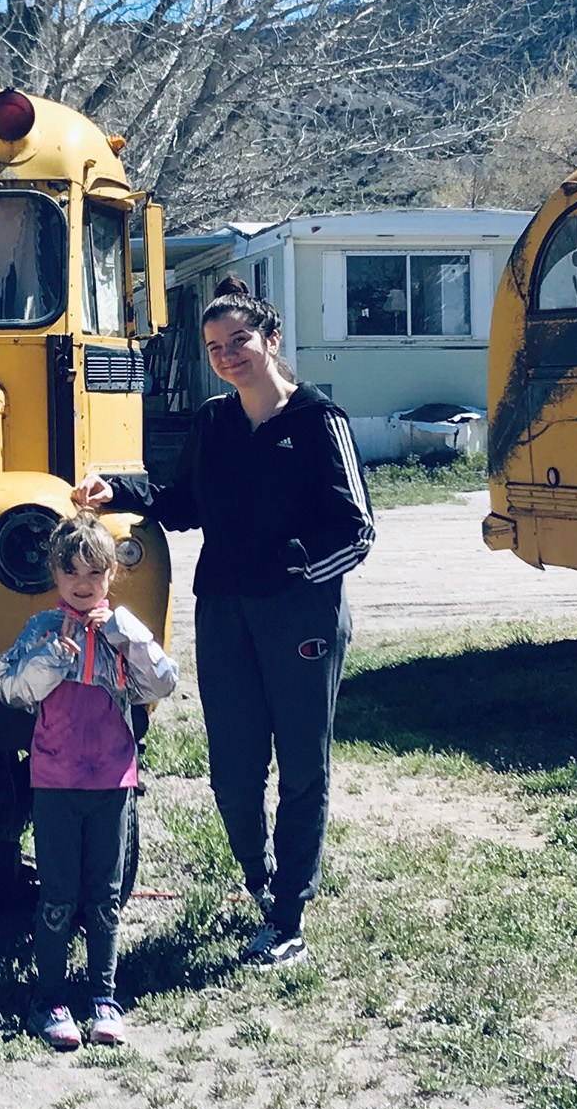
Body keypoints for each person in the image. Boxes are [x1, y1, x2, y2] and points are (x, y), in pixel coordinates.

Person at [77, 278, 371, 969]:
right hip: (225, 610)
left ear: (271, 339)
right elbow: (183, 504)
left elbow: (356, 530)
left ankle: (289, 913)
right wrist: (119, 490)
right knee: (233, 771)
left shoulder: (318, 420)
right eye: (215, 347)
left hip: (302, 613)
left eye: (239, 340)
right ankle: (261, 880)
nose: (228, 355)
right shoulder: (213, 422)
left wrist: (296, 565)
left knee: (302, 764)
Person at [0, 513, 178, 1050]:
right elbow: (9, 688)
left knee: (104, 897)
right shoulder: (42, 631)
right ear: (55, 573)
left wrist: (133, 639)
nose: (82, 582)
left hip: (113, 780)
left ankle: (104, 997)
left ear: (111, 574)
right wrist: (52, 660)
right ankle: (48, 998)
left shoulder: (122, 630)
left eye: (94, 572)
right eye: (71, 571)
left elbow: (161, 683)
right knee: (57, 895)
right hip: (54, 779)